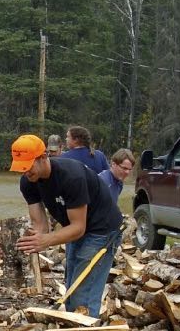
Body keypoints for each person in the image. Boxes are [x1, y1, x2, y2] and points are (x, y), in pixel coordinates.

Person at [10, 134, 123, 318]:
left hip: (102, 229)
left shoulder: (71, 176)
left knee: (82, 293)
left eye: (28, 166)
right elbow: (40, 225)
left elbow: (79, 227)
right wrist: (33, 239)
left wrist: (46, 240)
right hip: (73, 229)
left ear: (43, 157)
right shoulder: (28, 182)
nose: (25, 172)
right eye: (21, 167)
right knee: (71, 286)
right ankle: (76, 329)